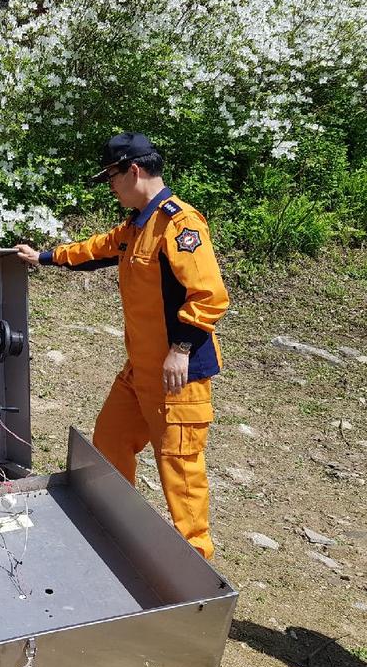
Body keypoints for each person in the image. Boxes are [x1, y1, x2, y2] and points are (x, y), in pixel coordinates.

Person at [15, 132, 229, 559]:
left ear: (133, 171)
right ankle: (119, 532)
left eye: (111, 177)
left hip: (177, 376)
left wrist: (181, 349)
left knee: (180, 471)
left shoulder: (179, 224)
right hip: (140, 371)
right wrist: (44, 257)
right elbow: (96, 250)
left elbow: (209, 295)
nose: (110, 187)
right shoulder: (137, 226)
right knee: (110, 443)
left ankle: (197, 567)